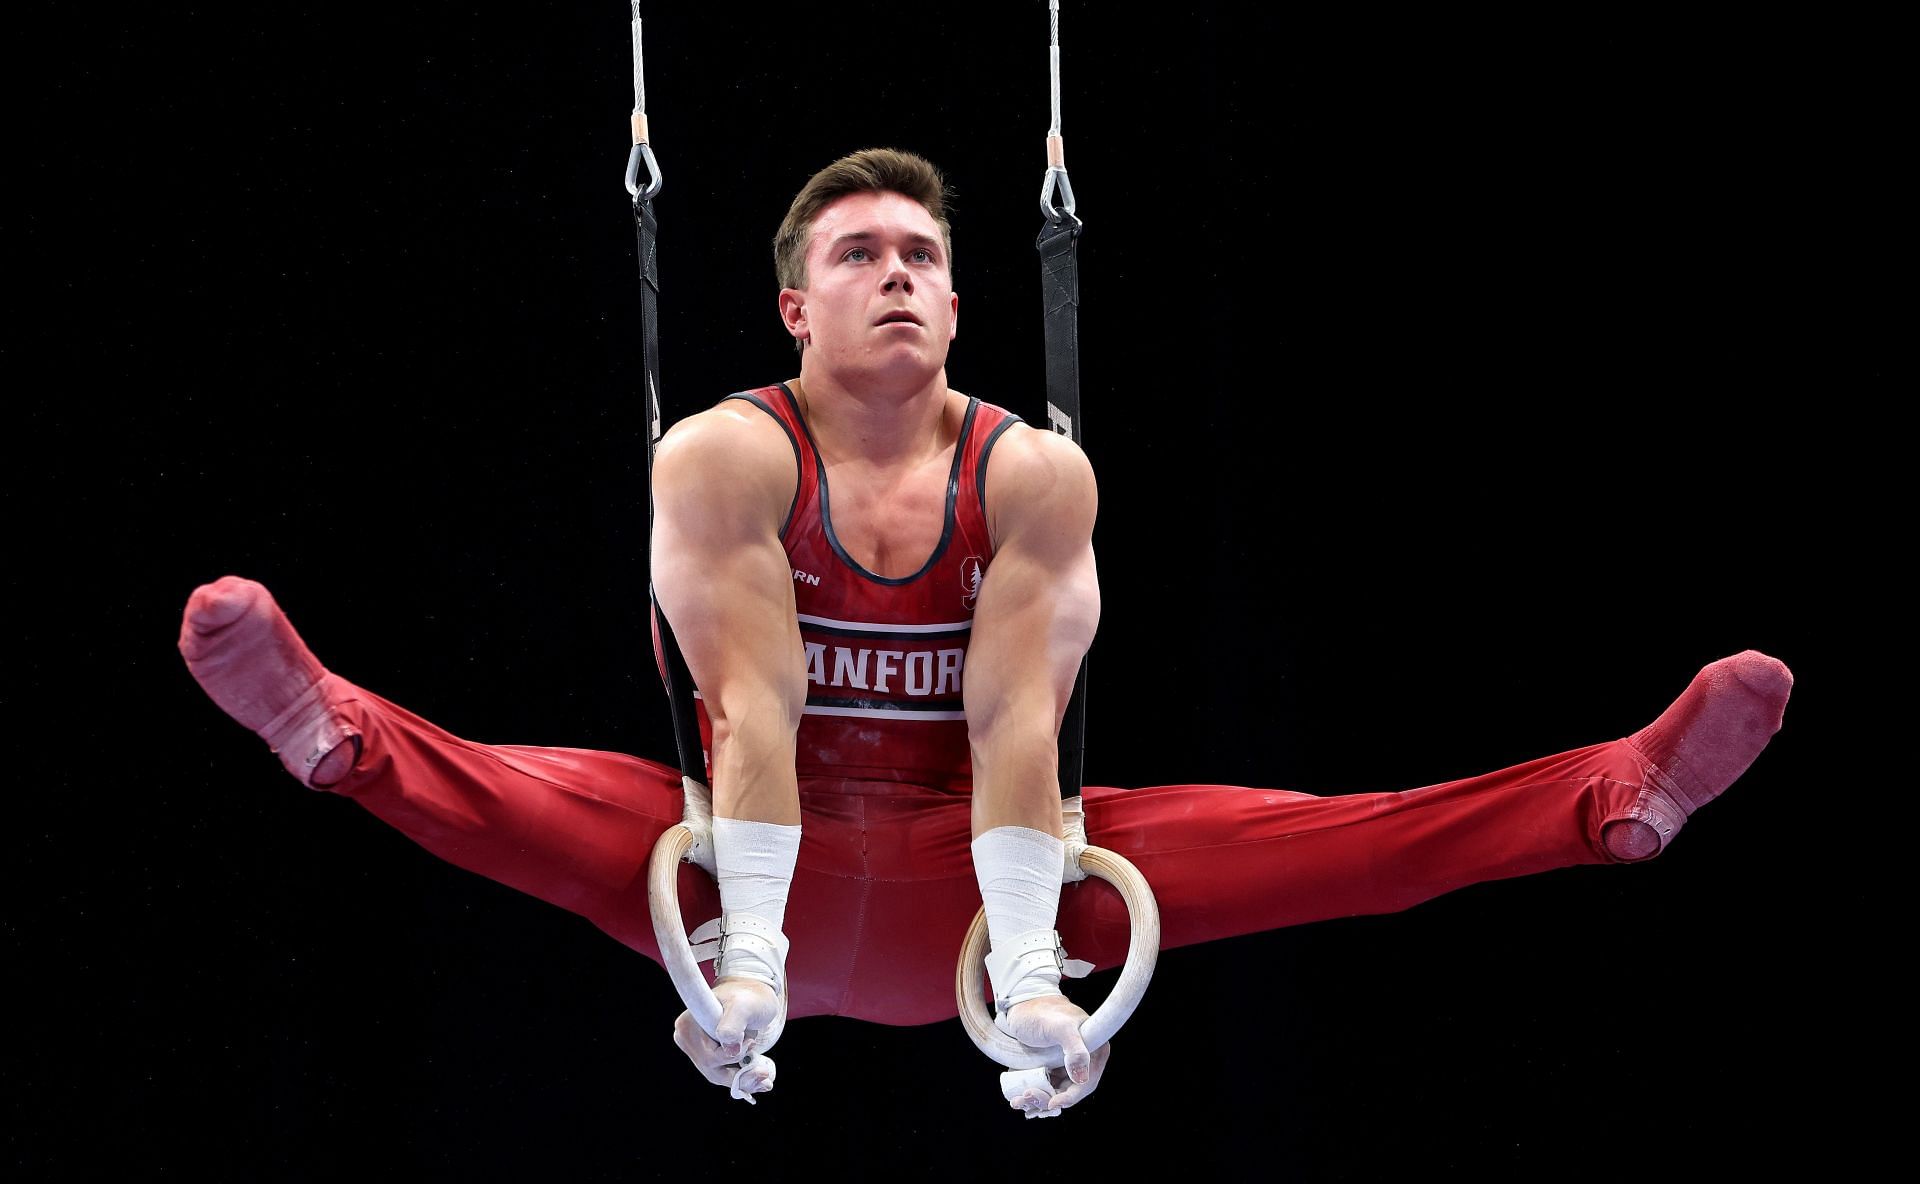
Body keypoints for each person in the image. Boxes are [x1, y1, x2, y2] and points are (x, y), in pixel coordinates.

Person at [177, 147, 1794, 1117]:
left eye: (923, 257)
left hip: (987, 860)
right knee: (517, 794)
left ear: (959, 304)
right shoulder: (732, 454)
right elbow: (747, 704)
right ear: (795, 308)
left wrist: (1031, 979)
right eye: (857, 254)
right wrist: (746, 957)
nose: (897, 274)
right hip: (751, 860)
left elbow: (1019, 726)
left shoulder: (1029, 473)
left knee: (1344, 845)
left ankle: (1614, 799)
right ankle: (332, 732)